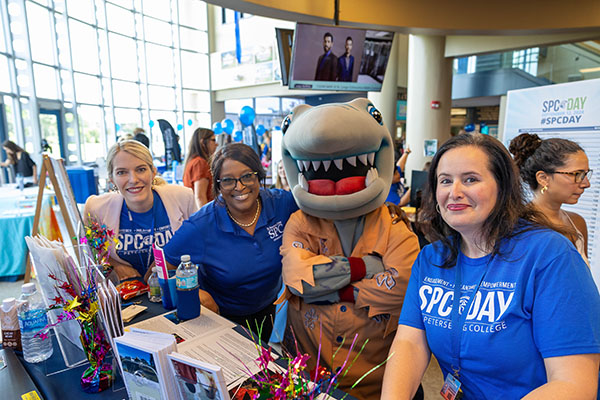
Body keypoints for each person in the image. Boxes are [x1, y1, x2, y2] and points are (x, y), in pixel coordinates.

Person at [381, 133, 600, 399]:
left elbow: (574, 383)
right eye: (445, 181)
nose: (455, 192)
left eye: (470, 179)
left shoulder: (550, 256)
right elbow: (409, 343)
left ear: (503, 186)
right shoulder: (432, 258)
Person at [163, 143, 298, 343]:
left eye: (247, 176)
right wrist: (194, 293)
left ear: (258, 175)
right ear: (217, 185)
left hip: (268, 309)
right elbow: (161, 268)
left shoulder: (282, 204)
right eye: (228, 180)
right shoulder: (201, 225)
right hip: (220, 317)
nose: (240, 187)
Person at [83, 140, 197, 282]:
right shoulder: (96, 208)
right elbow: (90, 253)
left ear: (153, 171)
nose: (133, 179)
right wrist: (115, 265)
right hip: (129, 297)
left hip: (177, 288)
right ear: (112, 179)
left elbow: (197, 244)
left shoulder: (182, 198)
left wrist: (170, 260)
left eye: (141, 169)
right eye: (122, 172)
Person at [509, 133, 591, 264]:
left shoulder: (577, 223)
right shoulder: (517, 226)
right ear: (543, 178)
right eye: (577, 174)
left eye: (585, 174)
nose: (586, 184)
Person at [183, 128, 218, 209]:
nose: (216, 144)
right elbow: (200, 197)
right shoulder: (199, 163)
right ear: (203, 142)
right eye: (213, 140)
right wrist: (206, 219)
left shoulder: (193, 161)